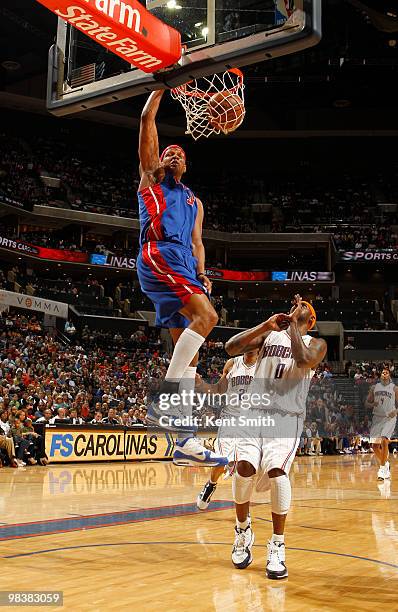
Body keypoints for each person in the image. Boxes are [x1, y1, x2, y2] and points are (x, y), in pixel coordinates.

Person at [136, 90, 226, 468]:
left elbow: (198, 241)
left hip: (185, 263)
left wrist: (202, 274)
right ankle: (165, 405)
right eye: (168, 153)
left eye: (180, 155)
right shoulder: (150, 181)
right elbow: (146, 121)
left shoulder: (194, 201)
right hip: (159, 253)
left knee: (188, 359)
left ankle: (184, 439)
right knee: (209, 319)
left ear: (186, 166)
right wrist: (161, 86)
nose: (173, 156)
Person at [224, 294, 327, 579]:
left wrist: (292, 323)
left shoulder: (315, 344)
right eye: (297, 304)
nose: (299, 304)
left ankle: (278, 545)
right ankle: (242, 530)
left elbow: (304, 360)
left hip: (285, 417)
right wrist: (265, 326)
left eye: (304, 306)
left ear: (311, 319)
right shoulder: (270, 336)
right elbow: (230, 347)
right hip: (252, 411)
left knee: (277, 472)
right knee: (243, 468)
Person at [196, 349, 259, 510]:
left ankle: (243, 509)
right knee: (222, 459)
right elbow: (219, 389)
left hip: (252, 421)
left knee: (246, 466)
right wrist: (202, 384)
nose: (248, 345)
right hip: (230, 418)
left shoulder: (264, 365)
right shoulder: (232, 363)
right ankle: (211, 484)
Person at [366, 368, 398, 481]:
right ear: (380, 375)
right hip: (377, 418)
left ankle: (382, 469)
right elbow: (366, 403)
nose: (384, 374)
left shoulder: (394, 388)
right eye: (383, 373)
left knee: (384, 440)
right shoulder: (374, 387)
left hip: (390, 418)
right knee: (374, 446)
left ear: (389, 375)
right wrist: (372, 403)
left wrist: (396, 411)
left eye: (387, 373)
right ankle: (386, 464)